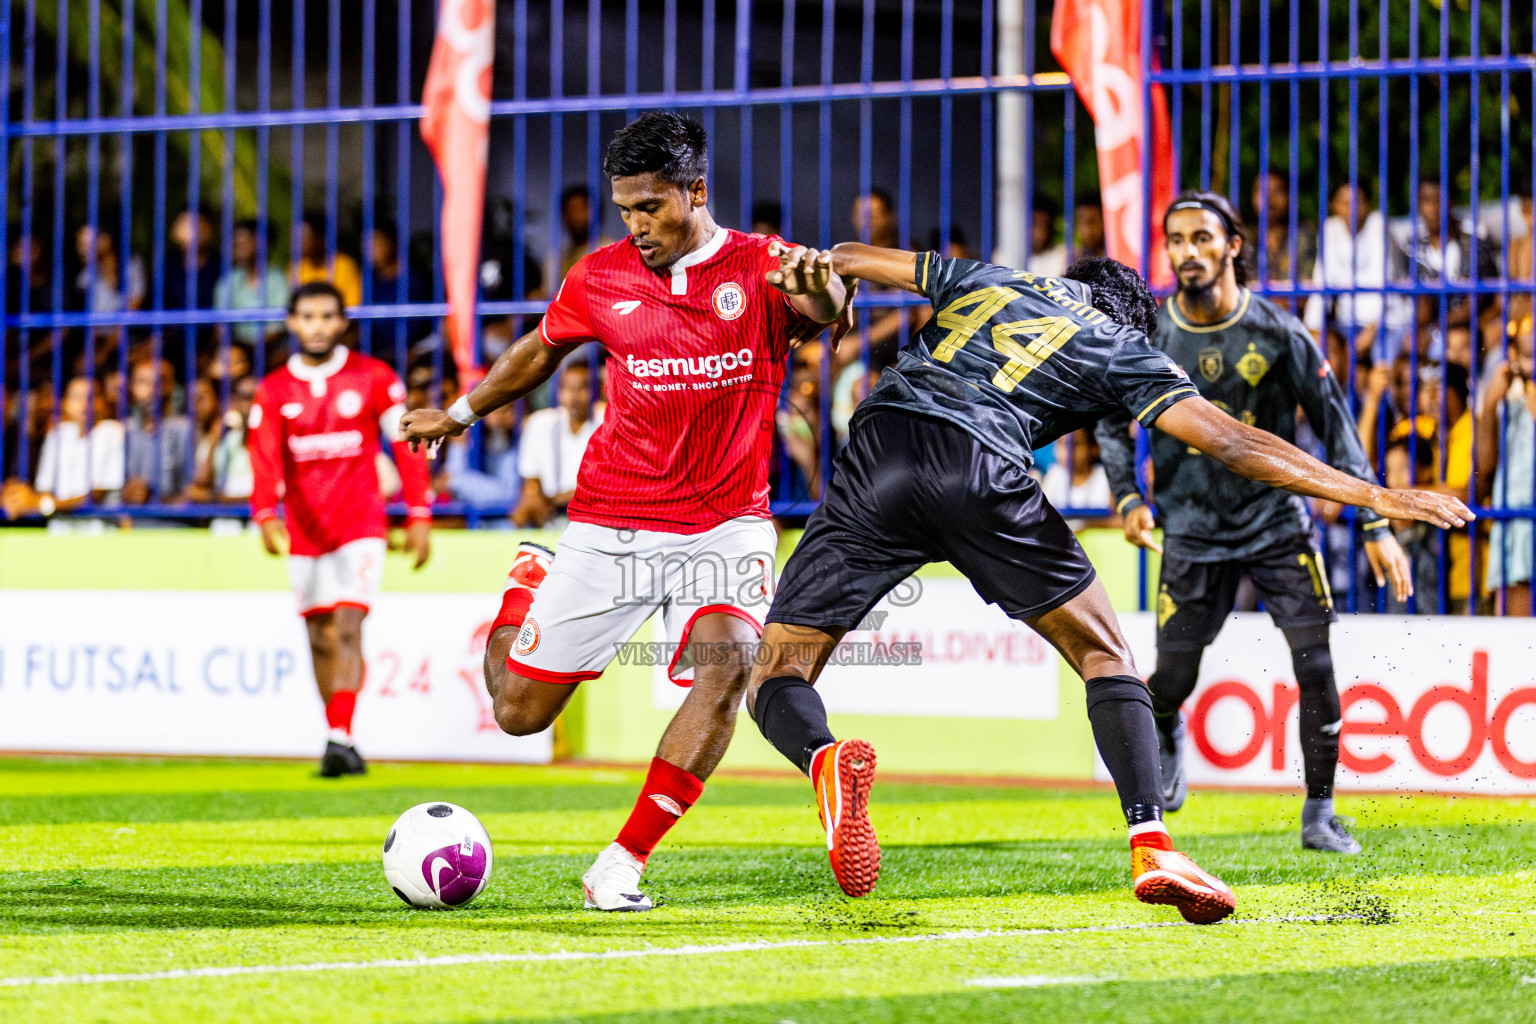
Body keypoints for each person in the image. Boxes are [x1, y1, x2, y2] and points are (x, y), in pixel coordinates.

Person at [737, 241, 1468, 922]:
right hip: (983, 462)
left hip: (879, 447)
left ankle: (824, 758)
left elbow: (843, 257)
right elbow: (1237, 443)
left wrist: (832, 302)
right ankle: (1152, 842)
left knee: (775, 673)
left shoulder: (988, 277)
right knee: (1107, 657)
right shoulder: (1121, 346)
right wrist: (1377, 496)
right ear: (1130, 316)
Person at [401, 112, 846, 912]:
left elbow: (827, 304)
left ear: (696, 190)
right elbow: (541, 351)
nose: (638, 226)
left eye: (652, 207)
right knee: (518, 714)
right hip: (612, 520)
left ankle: (622, 862)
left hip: (726, 521)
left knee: (729, 671)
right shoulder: (599, 276)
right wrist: (461, 413)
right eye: (626, 210)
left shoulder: (763, 267)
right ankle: (526, 585)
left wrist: (823, 284)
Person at [1095, 191, 1413, 855]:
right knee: (1172, 677)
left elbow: (1336, 426)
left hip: (1277, 526)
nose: (1187, 253)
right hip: (1191, 531)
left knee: (1315, 663)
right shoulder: (1151, 333)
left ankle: (1319, 814)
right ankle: (1165, 724)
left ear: (1233, 245)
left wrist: (1376, 524)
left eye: (1202, 239)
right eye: (1176, 240)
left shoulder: (1278, 332)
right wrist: (1128, 498)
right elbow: (1108, 419)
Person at [249, 281, 433, 777]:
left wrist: (418, 513)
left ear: (342, 323)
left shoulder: (373, 377)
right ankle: (340, 736)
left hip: (361, 524)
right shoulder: (272, 391)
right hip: (304, 531)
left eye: (327, 316)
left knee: (347, 627)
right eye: (307, 316)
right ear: (292, 322)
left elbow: (407, 443)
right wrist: (264, 513)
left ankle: (339, 735)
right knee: (318, 635)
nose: (317, 326)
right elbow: (264, 457)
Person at [0, 376, 124, 519]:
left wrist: (43, 504)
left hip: (100, 524)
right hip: (58, 524)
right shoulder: (57, 434)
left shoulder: (115, 432)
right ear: (64, 402)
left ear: (103, 402)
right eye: (76, 397)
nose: (84, 403)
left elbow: (98, 494)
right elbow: (44, 488)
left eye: (92, 396)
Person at [512, 360, 602, 528]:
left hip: (595, 511)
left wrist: (555, 499)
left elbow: (607, 483)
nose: (574, 396)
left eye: (582, 388)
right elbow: (531, 477)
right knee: (523, 510)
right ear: (558, 392)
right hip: (550, 511)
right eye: (568, 388)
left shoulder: (607, 420)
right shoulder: (540, 422)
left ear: (597, 391)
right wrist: (532, 494)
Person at [214, 219, 290, 347]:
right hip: (238, 348)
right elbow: (221, 325)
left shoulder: (278, 279)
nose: (237, 245)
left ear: (264, 243)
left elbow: (278, 327)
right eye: (236, 241)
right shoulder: (229, 279)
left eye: (245, 240)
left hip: (272, 348)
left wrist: (253, 349)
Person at [294, 213, 363, 308]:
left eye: (304, 238)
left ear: (321, 239)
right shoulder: (296, 267)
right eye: (296, 238)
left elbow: (352, 309)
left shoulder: (344, 265)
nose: (297, 243)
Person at [1026, 193, 1068, 278]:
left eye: (1043, 224)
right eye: (1034, 223)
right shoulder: (1002, 257)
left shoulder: (1062, 255)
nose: (1038, 231)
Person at [1074, 193, 1106, 259]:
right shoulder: (1076, 257)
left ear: (1104, 221)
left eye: (1092, 222)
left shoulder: (1116, 254)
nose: (1087, 229)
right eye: (1081, 222)